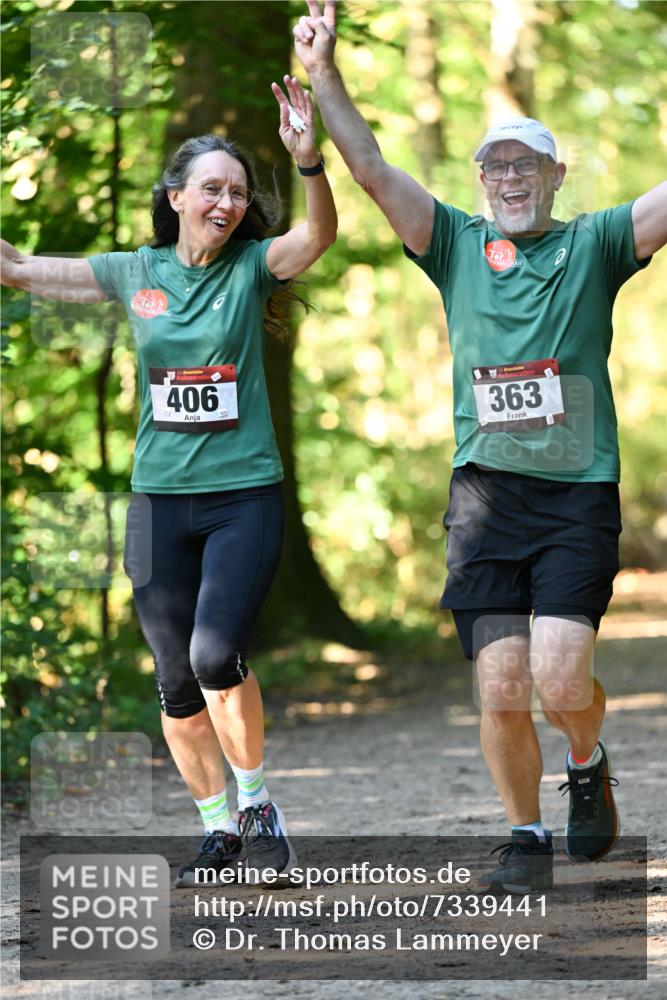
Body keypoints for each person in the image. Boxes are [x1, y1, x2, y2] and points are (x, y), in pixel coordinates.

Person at [293, 1, 666, 891]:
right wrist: (323, 74)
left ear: (553, 174)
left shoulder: (596, 243)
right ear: (480, 178)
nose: (508, 177)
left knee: (559, 676)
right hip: (485, 498)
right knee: (500, 685)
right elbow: (371, 166)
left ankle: (586, 761)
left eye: (525, 164)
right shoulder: (453, 241)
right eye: (494, 164)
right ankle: (524, 835)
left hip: (577, 493)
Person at [1, 75, 337, 886]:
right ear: (177, 196)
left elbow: (317, 236)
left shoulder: (254, 266)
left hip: (241, 495)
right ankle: (217, 830)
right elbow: (15, 269)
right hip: (157, 503)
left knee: (217, 653)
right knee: (174, 677)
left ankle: (256, 806)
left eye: (237, 192)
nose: (226, 202)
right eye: (211, 189)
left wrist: (307, 163)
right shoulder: (134, 271)